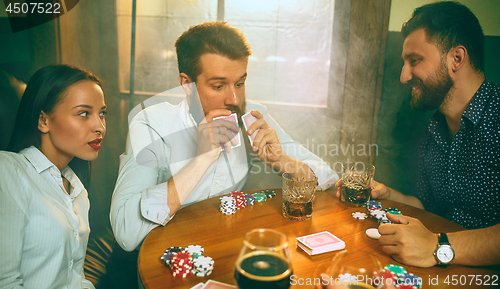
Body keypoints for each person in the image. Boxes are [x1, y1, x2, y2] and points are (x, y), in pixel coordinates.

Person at [110, 21, 338, 252]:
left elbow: (327, 177)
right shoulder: (151, 125)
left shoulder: (252, 115)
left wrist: (282, 161)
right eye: (218, 86)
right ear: (186, 84)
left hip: (225, 247)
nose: (234, 99)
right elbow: (126, 233)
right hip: (160, 258)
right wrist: (201, 159)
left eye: (240, 83)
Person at [335, 1, 500, 267]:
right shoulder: (435, 126)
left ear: (456, 59)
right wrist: (387, 194)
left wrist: (438, 247)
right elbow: (428, 208)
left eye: (415, 61)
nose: (403, 76)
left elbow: (434, 242)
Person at [0, 65, 107, 288]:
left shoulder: (78, 191)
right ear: (43, 121)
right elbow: (5, 281)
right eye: (84, 113)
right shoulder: (9, 171)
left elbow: (76, 278)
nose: (100, 126)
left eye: (102, 114)